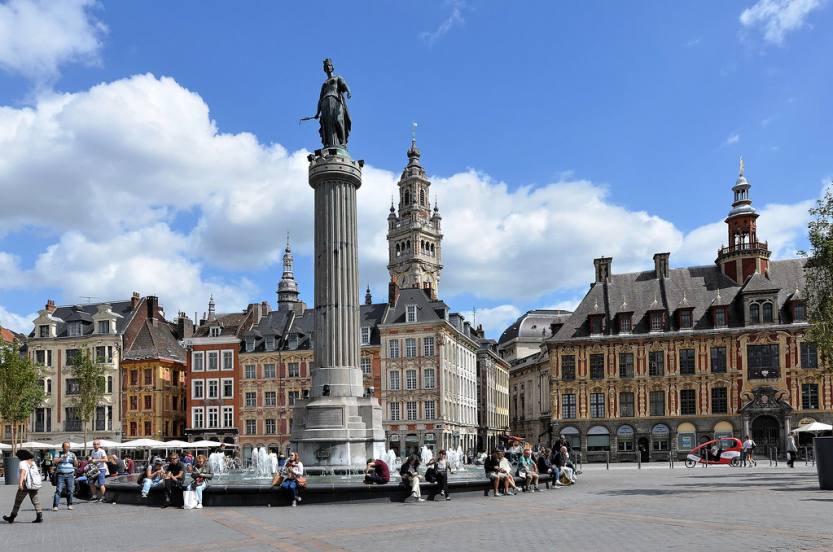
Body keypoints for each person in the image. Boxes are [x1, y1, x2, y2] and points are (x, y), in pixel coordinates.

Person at [3, 449, 43, 523]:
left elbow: (22, 473)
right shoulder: (33, 462)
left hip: (25, 485)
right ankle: (39, 516)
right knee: (35, 501)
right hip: (34, 485)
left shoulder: (22, 463)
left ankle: (12, 517)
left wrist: (20, 483)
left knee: (18, 501)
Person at [52, 441, 77, 511]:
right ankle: (55, 506)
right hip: (61, 475)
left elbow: (76, 465)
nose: (66, 448)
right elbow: (54, 462)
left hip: (70, 474)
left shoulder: (72, 454)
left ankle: (70, 504)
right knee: (58, 490)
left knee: (70, 490)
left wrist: (75, 461)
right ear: (62, 447)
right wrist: (62, 458)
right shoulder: (59, 453)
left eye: (68, 447)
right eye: (65, 447)